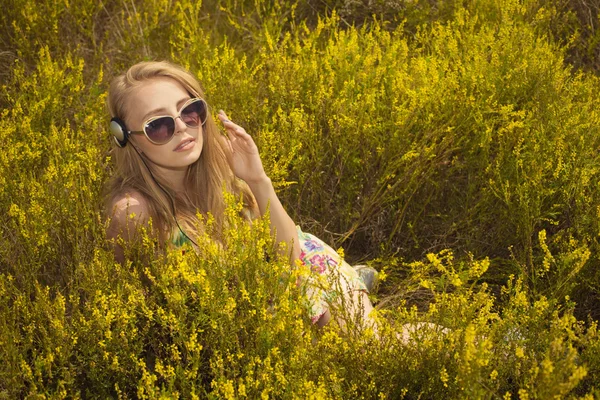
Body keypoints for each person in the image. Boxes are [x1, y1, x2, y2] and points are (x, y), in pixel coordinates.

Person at [104, 60, 377, 330]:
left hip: (301, 269)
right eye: (159, 125)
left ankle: (349, 285)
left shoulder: (220, 155)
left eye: (190, 111)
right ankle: (357, 285)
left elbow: (290, 257)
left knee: (370, 351)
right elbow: (137, 312)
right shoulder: (132, 213)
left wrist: (257, 179)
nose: (182, 128)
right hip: (249, 321)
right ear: (127, 138)